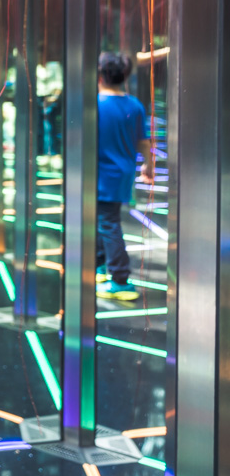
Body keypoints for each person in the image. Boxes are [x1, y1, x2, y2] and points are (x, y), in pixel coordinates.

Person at [96, 52, 155, 301]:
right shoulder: (134, 105)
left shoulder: (95, 105)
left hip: (100, 175)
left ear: (100, 75)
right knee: (103, 219)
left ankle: (120, 279)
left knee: (108, 223)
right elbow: (143, 142)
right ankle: (99, 264)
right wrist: (149, 166)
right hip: (122, 173)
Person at [37, 58, 63, 161]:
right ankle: (41, 151)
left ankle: (50, 151)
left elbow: (59, 86)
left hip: (50, 98)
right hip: (39, 98)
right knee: (40, 126)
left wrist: (53, 98)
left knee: (48, 126)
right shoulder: (37, 66)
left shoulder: (54, 65)